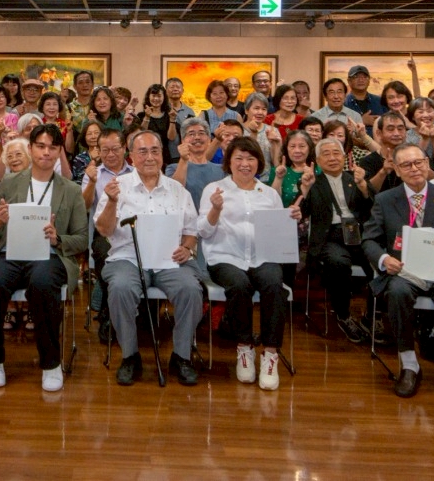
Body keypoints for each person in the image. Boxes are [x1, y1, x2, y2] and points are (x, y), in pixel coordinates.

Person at [362, 144, 434, 401]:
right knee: (397, 293)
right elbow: (369, 239)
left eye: (418, 162)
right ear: (396, 169)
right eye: (406, 165)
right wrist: (383, 259)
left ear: (427, 164)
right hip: (404, 272)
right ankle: (409, 364)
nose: (414, 169)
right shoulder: (385, 199)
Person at [0, 124, 84, 391]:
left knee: (43, 284)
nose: (46, 153)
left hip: (50, 255)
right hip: (10, 252)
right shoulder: (10, 182)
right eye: (41, 146)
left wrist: (58, 239)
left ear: (59, 152)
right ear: (31, 148)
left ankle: (51, 363)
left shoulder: (70, 189)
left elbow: (82, 238)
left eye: (53, 148)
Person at [95, 130, 207, 386]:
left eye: (155, 151)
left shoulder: (178, 190)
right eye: (142, 152)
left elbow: (191, 231)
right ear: (132, 157)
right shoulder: (118, 187)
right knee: (120, 288)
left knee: (191, 290)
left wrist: (187, 248)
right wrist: (111, 202)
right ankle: (130, 356)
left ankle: (181, 356)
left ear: (162, 155)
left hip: (170, 259)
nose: (149, 157)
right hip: (128, 259)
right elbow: (104, 230)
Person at [199, 136, 297, 390]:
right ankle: (244, 348)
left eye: (251, 158)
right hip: (225, 257)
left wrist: (290, 220)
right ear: (229, 162)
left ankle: (271, 354)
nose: (245, 164)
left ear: (259, 162)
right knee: (239, 285)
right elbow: (204, 231)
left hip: (262, 256)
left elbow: (278, 233)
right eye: (239, 158)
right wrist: (215, 210)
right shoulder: (214, 190)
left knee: (274, 284)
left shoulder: (269, 193)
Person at [301, 136, 368, 335]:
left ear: (344, 157)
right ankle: (343, 314)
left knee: (380, 260)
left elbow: (371, 209)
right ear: (317, 161)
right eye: (326, 154)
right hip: (329, 236)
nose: (332, 158)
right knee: (338, 263)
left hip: (358, 234)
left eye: (336, 153)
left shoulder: (355, 178)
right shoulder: (313, 182)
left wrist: (364, 188)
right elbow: (301, 213)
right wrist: (305, 190)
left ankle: (373, 315)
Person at [168, 117, 227, 203]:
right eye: (191, 134)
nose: (197, 137)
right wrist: (183, 160)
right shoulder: (173, 168)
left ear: (209, 140)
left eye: (201, 133)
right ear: (183, 141)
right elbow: (174, 193)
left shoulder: (221, 170)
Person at [358, 112, 413, 196]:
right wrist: (383, 172)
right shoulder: (367, 161)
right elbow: (367, 193)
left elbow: (432, 180)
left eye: (400, 129)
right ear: (379, 133)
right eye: (390, 129)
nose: (396, 133)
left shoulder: (415, 155)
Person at [272, 130, 315, 207]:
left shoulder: (317, 171)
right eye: (292, 146)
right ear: (286, 149)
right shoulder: (277, 171)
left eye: (302, 146)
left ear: (310, 148)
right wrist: (279, 178)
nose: (297, 150)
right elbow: (273, 201)